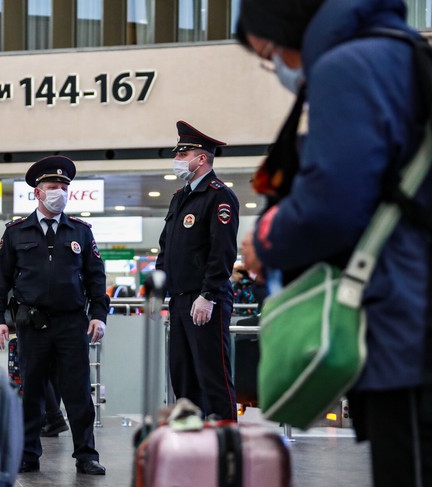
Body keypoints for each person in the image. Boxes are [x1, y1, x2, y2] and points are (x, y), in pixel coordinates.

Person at [237, 0, 432, 485]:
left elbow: (332, 203)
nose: (274, 68)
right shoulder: (402, 53)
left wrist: (266, 239)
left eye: (269, 54)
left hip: (404, 325)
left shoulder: (350, 66)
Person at [0, 155, 108, 475]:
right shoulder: (16, 233)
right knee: (32, 392)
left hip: (72, 322)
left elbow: (96, 278)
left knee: (78, 392)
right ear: (37, 193)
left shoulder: (81, 231)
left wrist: (99, 315)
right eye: (53, 187)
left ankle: (86, 454)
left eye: (64, 187)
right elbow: (0, 280)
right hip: (32, 323)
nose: (60, 192)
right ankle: (28, 454)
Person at [156, 121, 240, 420]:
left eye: (183, 154)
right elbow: (167, 246)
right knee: (183, 375)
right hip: (179, 299)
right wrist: (159, 286)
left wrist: (208, 294)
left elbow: (223, 253)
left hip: (205, 299)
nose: (178, 160)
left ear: (201, 158)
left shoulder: (219, 196)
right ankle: (191, 442)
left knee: (212, 373)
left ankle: (227, 441)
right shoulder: (181, 197)